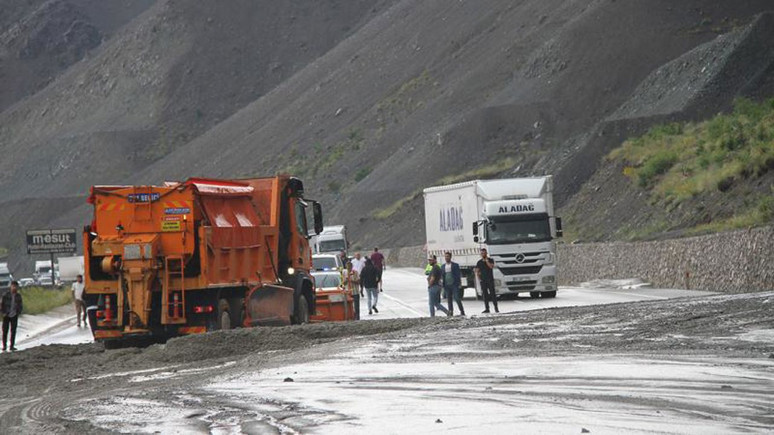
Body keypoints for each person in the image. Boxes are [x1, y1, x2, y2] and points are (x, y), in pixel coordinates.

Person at [475, 248, 499, 313]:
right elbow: (477, 271)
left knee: (493, 294)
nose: (483, 254)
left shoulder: (490, 260)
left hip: (490, 279)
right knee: (485, 295)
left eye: (484, 253)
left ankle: (496, 308)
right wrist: (479, 279)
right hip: (483, 280)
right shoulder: (479, 262)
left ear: (486, 253)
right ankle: (487, 308)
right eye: (482, 253)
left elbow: (491, 267)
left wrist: (487, 261)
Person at [1, 281, 23, 351]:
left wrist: (18, 312)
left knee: (13, 331)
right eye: (13, 286)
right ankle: (4, 346)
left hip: (14, 315)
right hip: (6, 315)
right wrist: (3, 312)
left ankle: (12, 346)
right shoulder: (6, 295)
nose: (14, 288)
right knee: (5, 331)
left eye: (15, 286)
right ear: (10, 286)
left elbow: (20, 305)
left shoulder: (18, 296)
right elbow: (2, 304)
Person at [441, 252, 465, 316]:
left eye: (448, 256)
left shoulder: (455, 265)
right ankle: (451, 311)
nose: (446, 258)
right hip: (446, 285)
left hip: (454, 284)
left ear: (450, 257)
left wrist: (459, 283)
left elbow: (458, 275)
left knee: (457, 298)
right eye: (445, 256)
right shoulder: (443, 266)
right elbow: (442, 276)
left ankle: (462, 311)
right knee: (449, 299)